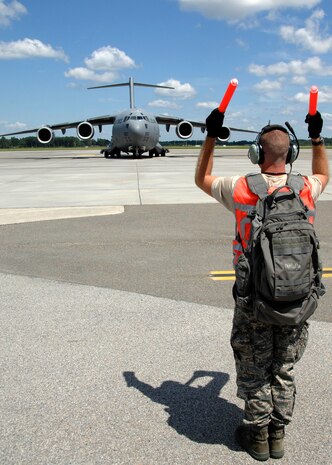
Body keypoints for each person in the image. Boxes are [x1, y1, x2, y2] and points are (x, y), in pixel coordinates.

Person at [195, 108, 329, 461]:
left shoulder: (240, 188)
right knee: (283, 365)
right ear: (291, 154)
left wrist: (211, 135)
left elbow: (202, 177)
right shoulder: (305, 190)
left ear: (256, 153)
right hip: (296, 297)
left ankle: (257, 436)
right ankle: (278, 434)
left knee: (254, 363)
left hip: (252, 298)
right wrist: (317, 137)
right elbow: (322, 174)